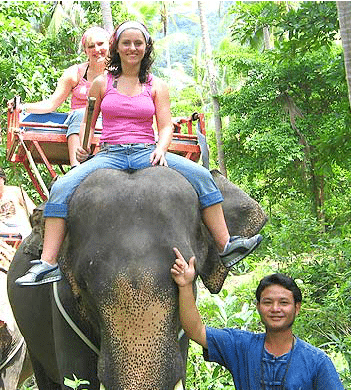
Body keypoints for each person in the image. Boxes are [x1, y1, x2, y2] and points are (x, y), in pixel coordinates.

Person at [15, 21, 262, 286]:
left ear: (146, 48)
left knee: (202, 176)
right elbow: (88, 121)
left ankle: (226, 245)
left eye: (138, 43)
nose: (132, 48)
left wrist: (161, 148)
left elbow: (165, 125)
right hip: (110, 154)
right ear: (117, 48)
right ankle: (48, 263)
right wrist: (84, 146)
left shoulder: (157, 86)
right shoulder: (102, 83)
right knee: (62, 186)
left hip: (146, 152)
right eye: (126, 43)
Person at [170, 247, 345, 390]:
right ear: (258, 307)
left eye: (283, 302)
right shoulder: (241, 347)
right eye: (268, 302)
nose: (275, 309)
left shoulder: (316, 361)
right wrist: (185, 285)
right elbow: (196, 330)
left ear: (297, 308)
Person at [21, 26, 110, 167]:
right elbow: (51, 104)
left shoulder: (119, 74)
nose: (96, 49)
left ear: (109, 45)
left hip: (107, 123)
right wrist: (23, 107)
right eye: (91, 46)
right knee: (81, 114)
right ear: (86, 51)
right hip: (80, 122)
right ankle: (77, 166)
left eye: (100, 44)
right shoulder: (74, 74)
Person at [0, 165, 35, 264]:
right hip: (1, 230)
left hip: (20, 229)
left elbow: (32, 209)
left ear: (3, 179)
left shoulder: (15, 191)